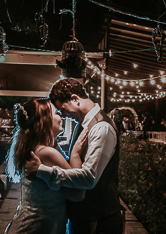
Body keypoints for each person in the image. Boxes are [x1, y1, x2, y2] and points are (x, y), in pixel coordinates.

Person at [27, 78, 124, 234]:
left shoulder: (101, 128)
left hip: (99, 220)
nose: (63, 115)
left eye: (63, 109)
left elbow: (88, 178)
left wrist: (41, 170)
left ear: (75, 99)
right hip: (85, 219)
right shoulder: (84, 124)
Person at [5, 99, 84, 234]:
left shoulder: (40, 149)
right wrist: (76, 154)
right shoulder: (47, 153)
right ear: (45, 120)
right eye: (56, 113)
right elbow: (78, 192)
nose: (61, 116)